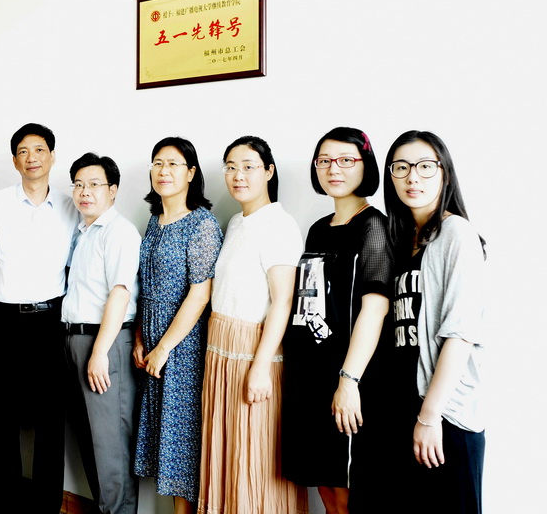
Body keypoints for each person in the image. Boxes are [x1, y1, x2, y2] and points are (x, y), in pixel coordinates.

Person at [365, 131, 486, 514]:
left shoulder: (457, 233)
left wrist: (430, 417)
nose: (412, 177)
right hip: (402, 409)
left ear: (444, 173)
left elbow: (460, 333)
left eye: (424, 167)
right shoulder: (402, 240)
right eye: (401, 167)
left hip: (442, 414)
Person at [279, 128, 394, 514]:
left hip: (348, 378)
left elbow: (375, 308)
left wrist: (349, 381)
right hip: (309, 379)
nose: (334, 169)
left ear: (365, 166)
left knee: (347, 492)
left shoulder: (374, 227)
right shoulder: (317, 228)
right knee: (326, 489)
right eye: (325, 160)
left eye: (346, 160)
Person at [0, 123, 79, 514]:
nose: (31, 158)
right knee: (4, 417)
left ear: (52, 156)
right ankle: (4, 503)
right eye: (23, 151)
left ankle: (47, 505)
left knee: (51, 420)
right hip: (4, 321)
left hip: (52, 322)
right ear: (15, 160)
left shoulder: (71, 205)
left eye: (39, 149)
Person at [197, 136, 307, 514]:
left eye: (248, 167)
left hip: (253, 353)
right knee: (227, 452)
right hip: (221, 350)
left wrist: (260, 367)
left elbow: (283, 301)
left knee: (253, 455)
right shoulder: (235, 222)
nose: (238, 175)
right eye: (231, 167)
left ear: (269, 171)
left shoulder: (280, 224)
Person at [134, 136, 222, 514]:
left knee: (182, 442)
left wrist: (164, 348)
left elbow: (200, 295)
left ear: (190, 173)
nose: (163, 170)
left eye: (173, 163)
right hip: (151, 336)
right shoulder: (153, 221)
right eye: (157, 163)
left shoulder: (202, 224)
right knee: (164, 441)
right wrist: (141, 338)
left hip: (182, 346)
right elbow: (145, 285)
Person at [63, 153, 142, 514]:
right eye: (79, 184)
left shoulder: (118, 231)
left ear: (113, 190)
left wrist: (98, 353)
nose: (85, 192)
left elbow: (120, 294)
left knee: (110, 444)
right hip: (74, 339)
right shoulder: (82, 233)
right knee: (90, 439)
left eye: (94, 184)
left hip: (104, 343)